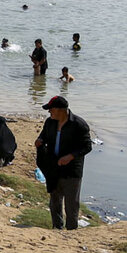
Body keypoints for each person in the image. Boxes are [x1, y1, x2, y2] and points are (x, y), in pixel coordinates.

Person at [34, 96, 92, 231]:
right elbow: (44, 136)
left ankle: (71, 230)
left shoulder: (79, 124)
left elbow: (87, 147)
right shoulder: (50, 122)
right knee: (55, 200)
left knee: (71, 203)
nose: (49, 113)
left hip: (72, 170)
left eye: (51, 110)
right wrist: (39, 141)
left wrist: (71, 156)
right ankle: (57, 227)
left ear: (61, 110)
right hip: (54, 166)